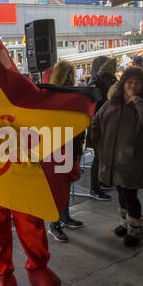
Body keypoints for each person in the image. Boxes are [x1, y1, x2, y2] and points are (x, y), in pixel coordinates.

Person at [91, 66, 143, 247]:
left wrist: (138, 102)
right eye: (129, 82)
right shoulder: (112, 103)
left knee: (130, 195)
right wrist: (98, 142)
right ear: (122, 84)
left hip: (132, 161)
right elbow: (96, 122)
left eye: (137, 82)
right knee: (121, 191)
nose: (133, 85)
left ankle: (136, 231)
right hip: (113, 160)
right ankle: (125, 223)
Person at [47, 60, 85, 242]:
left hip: (71, 146)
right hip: (56, 149)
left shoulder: (75, 94)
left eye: (72, 74)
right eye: (67, 74)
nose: (70, 78)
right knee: (58, 190)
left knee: (67, 187)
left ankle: (64, 217)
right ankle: (54, 224)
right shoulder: (51, 96)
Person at [87, 56, 117, 200]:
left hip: (108, 122)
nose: (113, 68)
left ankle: (101, 182)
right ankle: (95, 188)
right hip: (99, 124)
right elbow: (96, 104)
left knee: (104, 156)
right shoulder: (96, 81)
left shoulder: (111, 79)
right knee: (99, 156)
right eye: (110, 65)